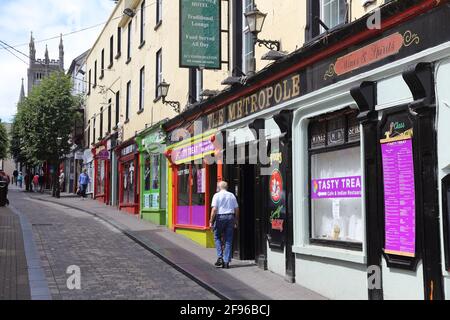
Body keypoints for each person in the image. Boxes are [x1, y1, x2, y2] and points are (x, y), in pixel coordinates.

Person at [209, 181, 239, 269]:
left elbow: (214, 209)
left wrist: (211, 220)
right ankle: (226, 262)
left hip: (220, 217)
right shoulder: (231, 195)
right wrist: (236, 219)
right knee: (228, 239)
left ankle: (220, 257)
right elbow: (236, 209)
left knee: (217, 236)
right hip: (230, 217)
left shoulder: (216, 195)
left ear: (219, 187)